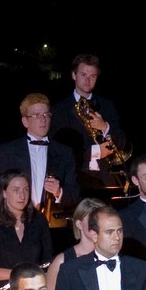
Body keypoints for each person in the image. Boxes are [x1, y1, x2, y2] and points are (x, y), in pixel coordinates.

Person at [48, 53, 127, 190]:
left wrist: (105, 127)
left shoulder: (107, 106)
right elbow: (58, 150)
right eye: (83, 75)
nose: (88, 80)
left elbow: (122, 142)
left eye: (93, 76)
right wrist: (95, 151)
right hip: (75, 181)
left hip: (106, 179)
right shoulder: (59, 110)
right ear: (74, 75)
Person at [0, 94, 77, 214]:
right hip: (15, 220)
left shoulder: (64, 153)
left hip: (52, 221)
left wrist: (59, 192)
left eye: (46, 114)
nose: (43, 119)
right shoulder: (7, 152)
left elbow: (75, 194)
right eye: (37, 115)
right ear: (25, 121)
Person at [0, 170, 54, 284]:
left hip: (33, 287)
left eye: (26, 189)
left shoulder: (39, 220)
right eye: (16, 190)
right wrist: (19, 275)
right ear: (4, 193)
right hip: (2, 289)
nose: (22, 196)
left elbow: (48, 261)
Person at [44, 198, 104, 290]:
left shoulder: (111, 257)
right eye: (92, 220)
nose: (98, 225)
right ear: (79, 224)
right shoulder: (62, 261)